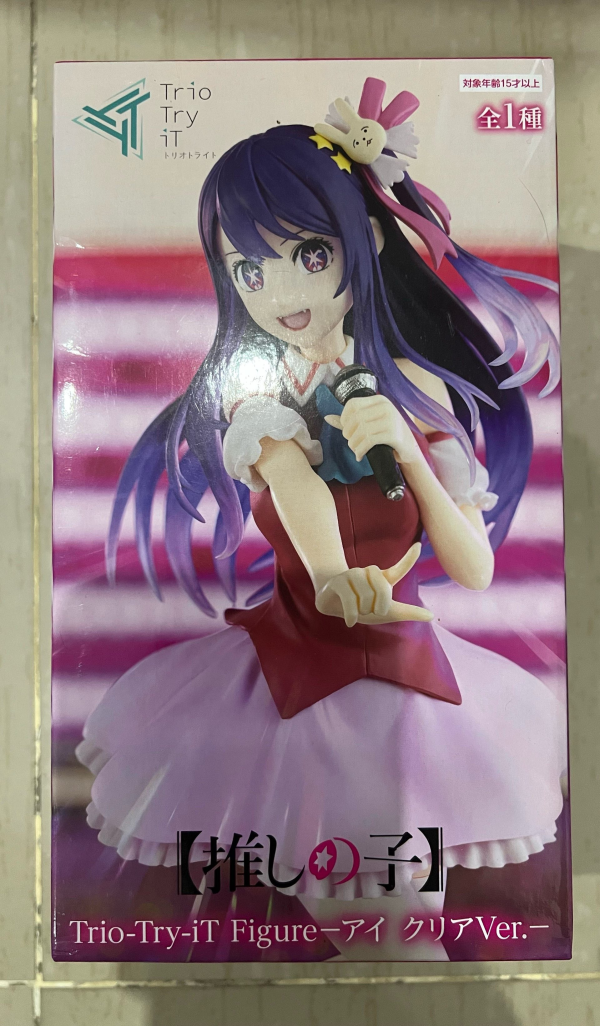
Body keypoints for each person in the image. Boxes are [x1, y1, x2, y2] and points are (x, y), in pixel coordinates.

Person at [76, 80, 564, 960]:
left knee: (404, 937)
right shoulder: (259, 406)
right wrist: (335, 575)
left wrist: (408, 451)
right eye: (249, 269)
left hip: (412, 678)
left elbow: (474, 566)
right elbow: (291, 477)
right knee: (366, 934)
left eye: (308, 253)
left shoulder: (415, 394)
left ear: (362, 241)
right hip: (294, 677)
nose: (280, 291)